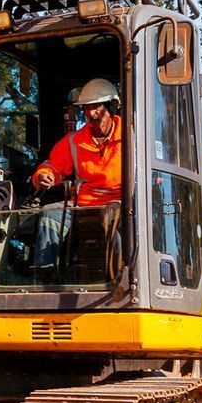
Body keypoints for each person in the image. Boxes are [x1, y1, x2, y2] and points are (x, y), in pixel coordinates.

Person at [28, 78, 123, 274]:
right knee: (49, 214)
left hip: (119, 203)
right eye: (87, 108)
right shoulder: (74, 141)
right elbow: (53, 166)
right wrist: (43, 176)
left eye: (97, 107)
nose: (91, 113)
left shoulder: (131, 138)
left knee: (116, 220)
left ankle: (119, 277)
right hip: (82, 204)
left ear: (112, 107)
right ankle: (45, 275)